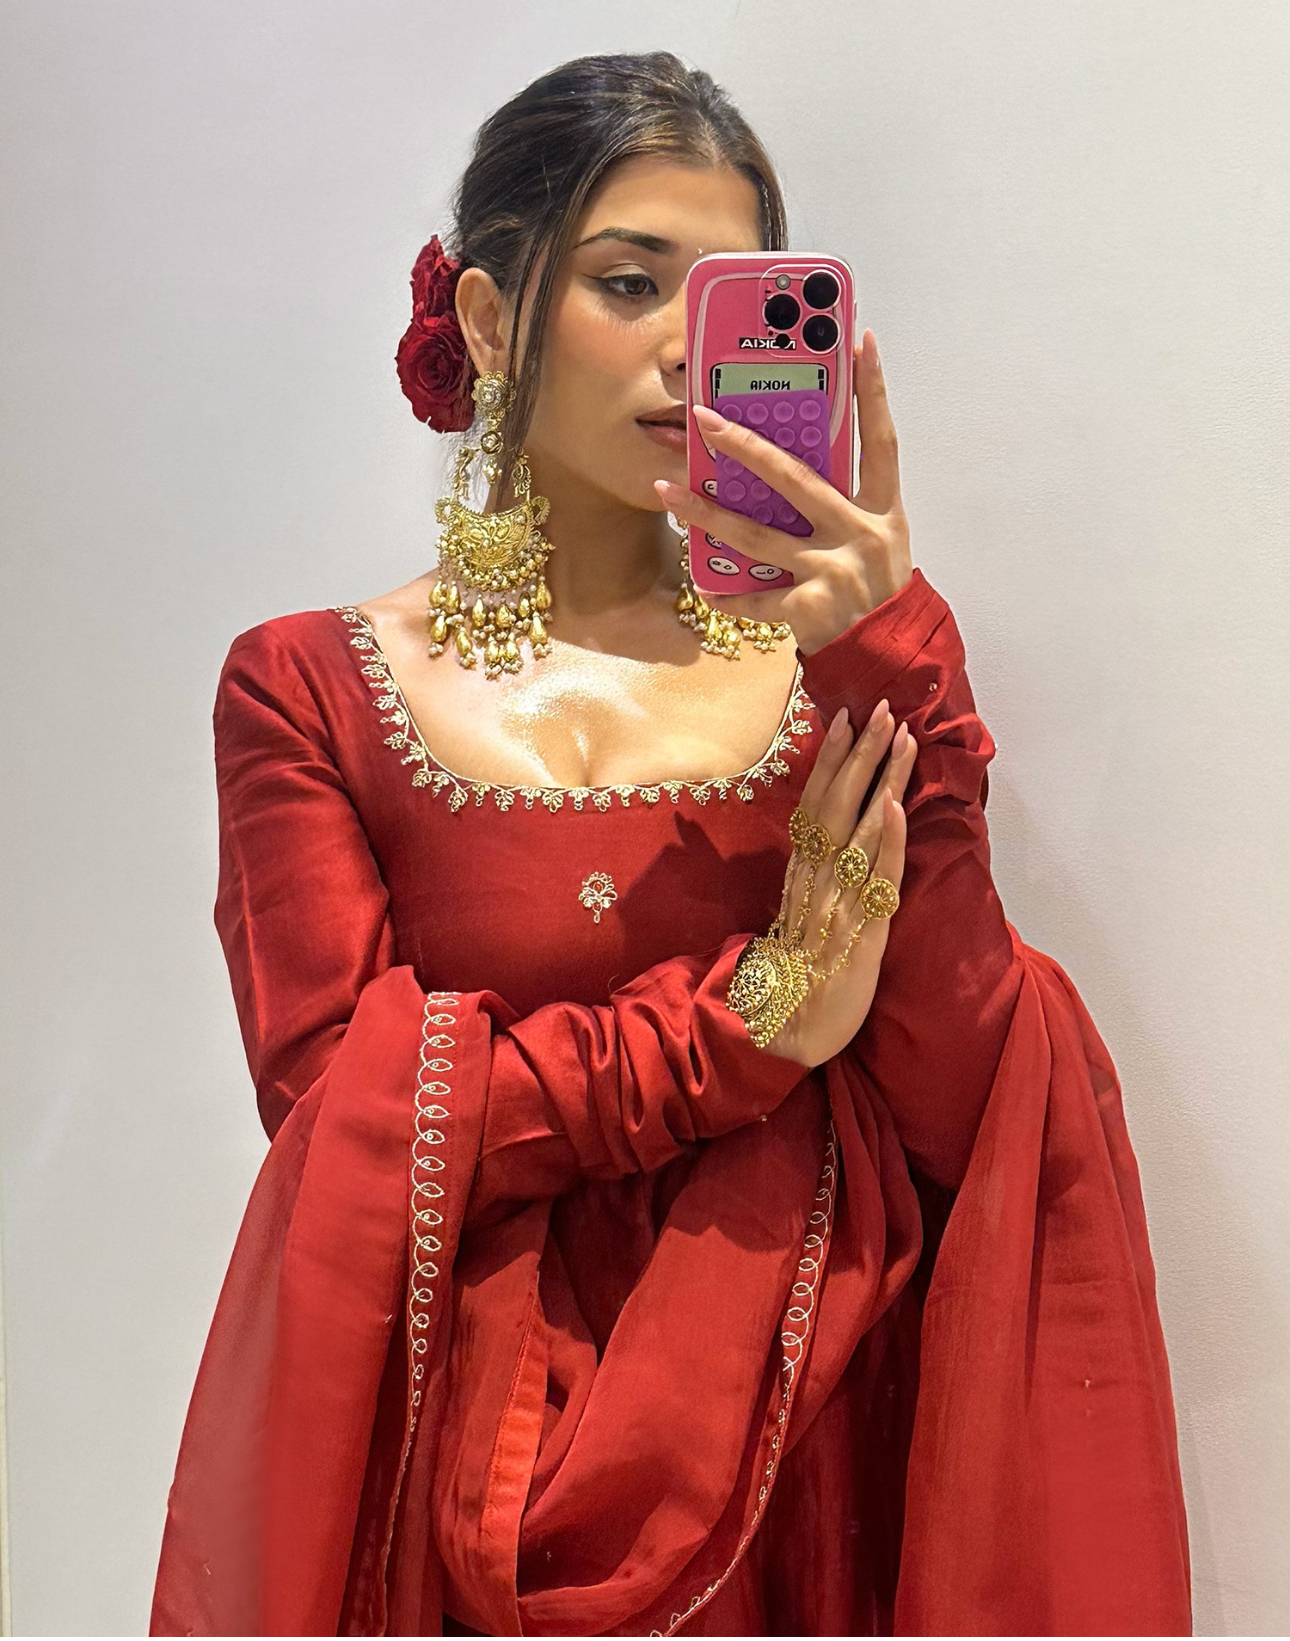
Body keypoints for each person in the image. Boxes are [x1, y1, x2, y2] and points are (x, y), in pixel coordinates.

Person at [149, 51, 1191, 1639]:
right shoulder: (312, 690)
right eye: (630, 284)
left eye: (729, 301)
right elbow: (341, 1119)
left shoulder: (837, 674)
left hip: (801, 1467)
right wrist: (748, 1025)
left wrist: (890, 656)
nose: (685, 352)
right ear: (489, 318)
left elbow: (971, 1098)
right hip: (452, 1480)